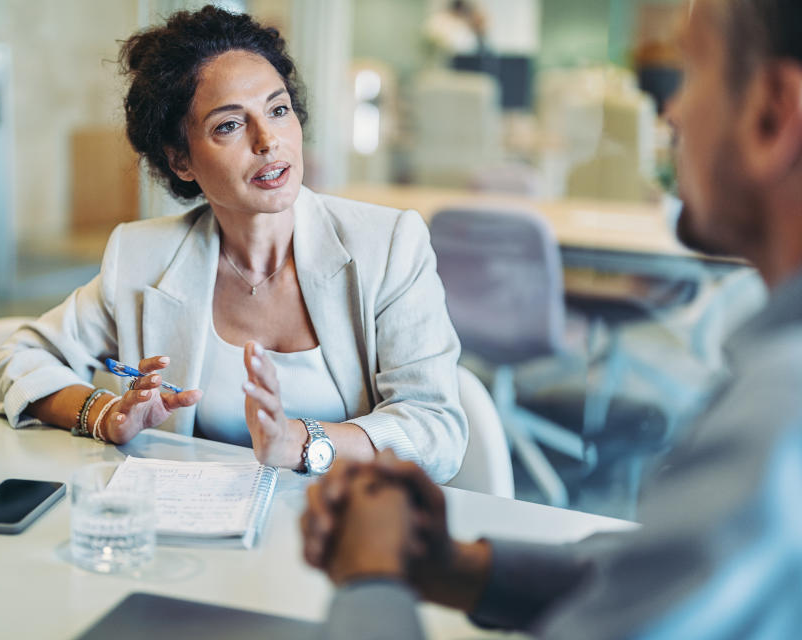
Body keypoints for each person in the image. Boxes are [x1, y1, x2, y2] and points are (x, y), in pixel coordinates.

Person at [302, 0, 802, 636]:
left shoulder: (777, 422)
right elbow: (659, 577)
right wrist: (457, 566)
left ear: (772, 115)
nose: (670, 112)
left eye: (691, 70)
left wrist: (370, 577)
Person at [0, 6, 467, 481]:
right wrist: (104, 414)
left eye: (278, 110)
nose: (267, 140)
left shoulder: (387, 245)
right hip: (194, 539)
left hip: (343, 532)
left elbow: (437, 431)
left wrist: (298, 441)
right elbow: (14, 361)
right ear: (181, 161)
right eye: (229, 125)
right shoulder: (141, 256)